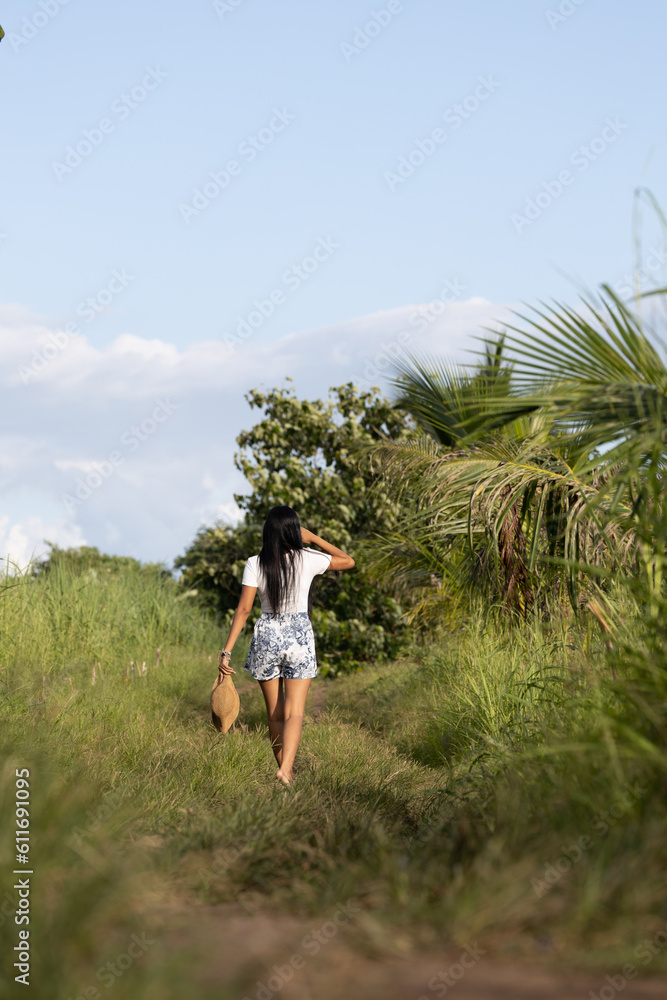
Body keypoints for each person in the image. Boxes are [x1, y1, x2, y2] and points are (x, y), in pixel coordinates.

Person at [218, 505, 355, 786]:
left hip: (267, 635)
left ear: (268, 531)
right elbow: (347, 560)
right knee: (295, 712)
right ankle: (287, 769)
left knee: (275, 714)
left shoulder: (255, 563)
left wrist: (226, 652)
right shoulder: (307, 558)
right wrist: (313, 538)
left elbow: (243, 610)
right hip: (299, 638)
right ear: (295, 530)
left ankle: (285, 771)